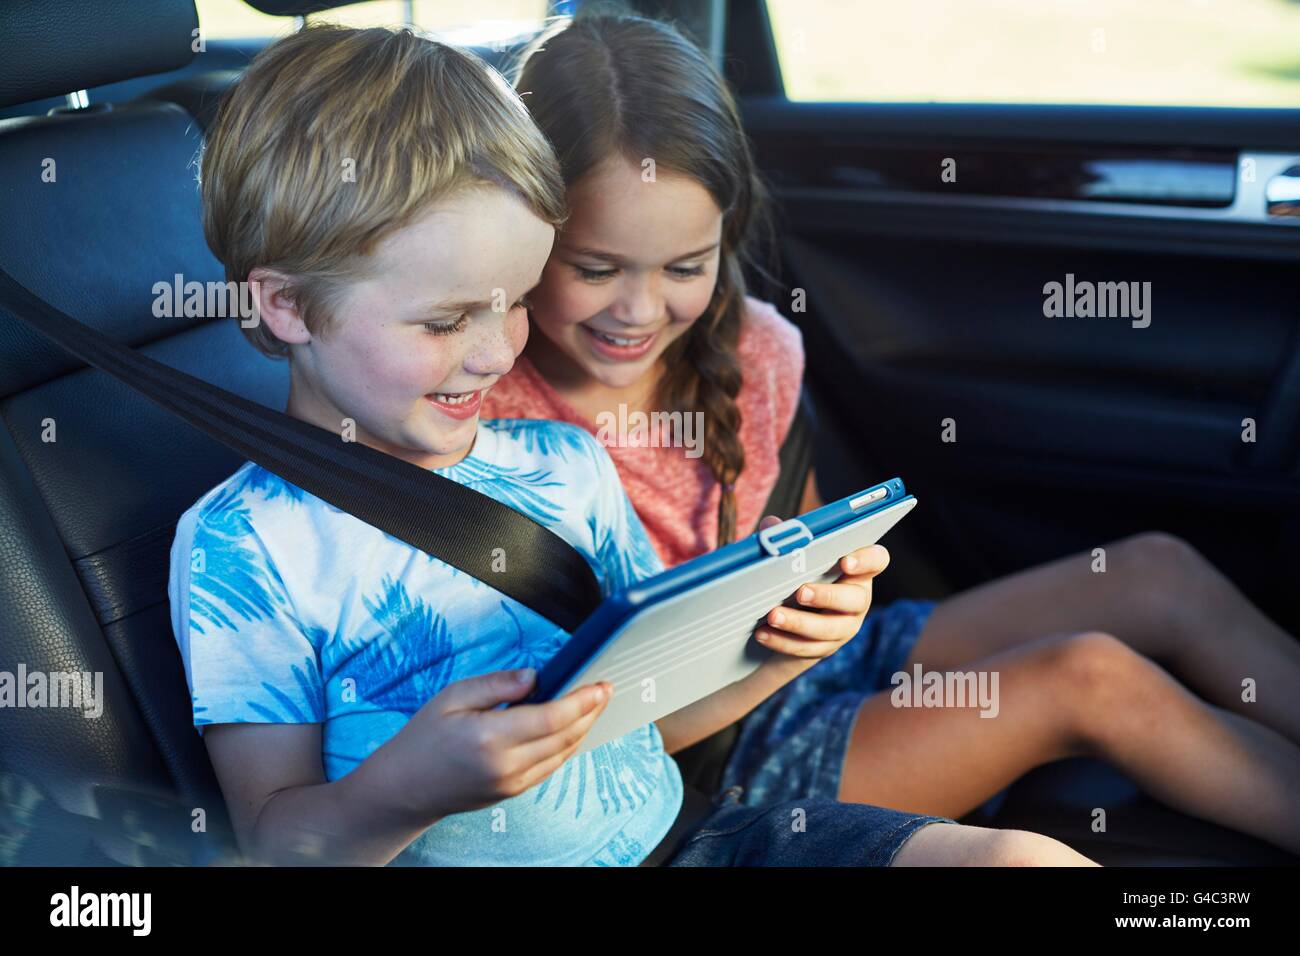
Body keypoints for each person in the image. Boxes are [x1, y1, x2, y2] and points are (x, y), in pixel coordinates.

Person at [168, 23, 1093, 867]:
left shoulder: (566, 469)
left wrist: (784, 654)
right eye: (448, 320)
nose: (495, 354)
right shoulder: (243, 552)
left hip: (700, 840)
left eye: (516, 302)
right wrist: (405, 791)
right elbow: (274, 844)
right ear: (285, 304)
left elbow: (645, 722)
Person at [482, 13, 1300, 855]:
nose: (642, 310)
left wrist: (830, 583)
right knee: (1089, 676)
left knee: (1156, 571)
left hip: (816, 657)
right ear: (520, 235)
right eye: (596, 269)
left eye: (685, 267)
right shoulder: (484, 420)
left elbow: (809, 538)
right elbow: (589, 739)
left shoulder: (749, 348)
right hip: (704, 757)